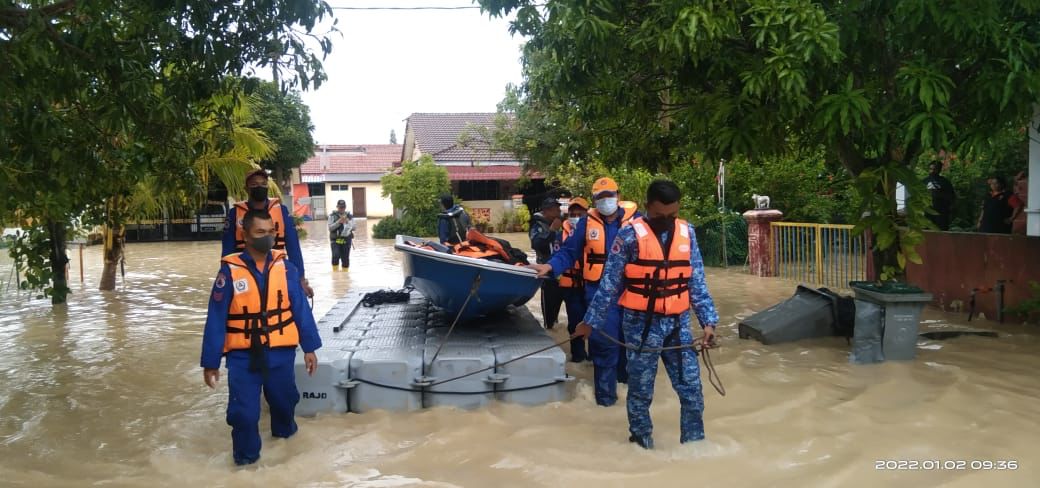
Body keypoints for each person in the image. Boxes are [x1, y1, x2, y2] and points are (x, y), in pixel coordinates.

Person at [572, 179, 719, 449]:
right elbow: (609, 285)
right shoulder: (628, 235)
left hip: (678, 327)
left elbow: (696, 281)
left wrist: (708, 322)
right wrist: (589, 323)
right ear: (648, 206)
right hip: (640, 327)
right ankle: (642, 446)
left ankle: (694, 447)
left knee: (692, 391)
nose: (666, 221)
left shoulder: (688, 233)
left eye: (672, 215)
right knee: (640, 392)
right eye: (659, 216)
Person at [202, 209, 322, 465]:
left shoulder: (286, 269)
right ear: (245, 235)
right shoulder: (229, 272)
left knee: (284, 403)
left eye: (270, 232)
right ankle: (245, 465)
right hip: (242, 355)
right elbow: (216, 317)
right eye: (260, 232)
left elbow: (299, 309)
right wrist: (210, 361)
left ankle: (288, 454)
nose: (266, 237)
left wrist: (310, 347)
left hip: (280, 351)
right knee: (243, 414)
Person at [529, 177, 639, 406]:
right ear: (594, 200)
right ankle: (606, 401)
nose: (605, 200)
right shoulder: (586, 225)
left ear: (618, 195)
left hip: (630, 292)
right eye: (600, 197)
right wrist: (550, 266)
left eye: (609, 195)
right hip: (598, 293)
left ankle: (629, 395)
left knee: (629, 346)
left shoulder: (637, 221)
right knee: (603, 346)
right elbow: (568, 252)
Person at [222, 169, 312, 297]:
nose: (260, 187)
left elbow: (294, 248)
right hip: (244, 271)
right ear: (246, 188)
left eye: (263, 184)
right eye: (254, 184)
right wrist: (225, 276)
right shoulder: (234, 214)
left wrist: (301, 279)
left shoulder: (281, 211)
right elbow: (227, 250)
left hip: (278, 269)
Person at [556, 196, 589, 362]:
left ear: (587, 213)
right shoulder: (560, 234)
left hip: (592, 284)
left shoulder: (597, 231)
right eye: (572, 213)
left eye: (580, 213)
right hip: (571, 286)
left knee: (597, 323)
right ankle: (578, 356)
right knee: (575, 322)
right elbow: (557, 257)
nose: (576, 216)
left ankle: (595, 357)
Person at [530, 197, 565, 329]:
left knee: (562, 307)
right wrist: (552, 231)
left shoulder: (563, 223)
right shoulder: (537, 225)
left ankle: (558, 329)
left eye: (558, 208)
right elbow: (537, 244)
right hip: (547, 273)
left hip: (564, 271)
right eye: (555, 209)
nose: (558, 211)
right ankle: (550, 330)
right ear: (546, 211)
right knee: (549, 311)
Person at [922, 161, 955, 231]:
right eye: (930, 169)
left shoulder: (945, 182)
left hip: (941, 214)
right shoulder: (924, 181)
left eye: (935, 169)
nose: (932, 171)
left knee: (941, 234)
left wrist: (938, 194)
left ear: (939, 170)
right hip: (927, 213)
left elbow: (951, 197)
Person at [328, 200, 355, 271]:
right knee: (335, 256)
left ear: (345, 207)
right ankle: (335, 274)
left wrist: (348, 222)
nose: (342, 209)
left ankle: (345, 277)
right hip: (335, 240)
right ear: (337, 207)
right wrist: (339, 222)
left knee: (345, 259)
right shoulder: (332, 216)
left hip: (346, 240)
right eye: (340, 207)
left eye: (343, 207)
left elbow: (354, 228)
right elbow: (330, 228)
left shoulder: (350, 216)